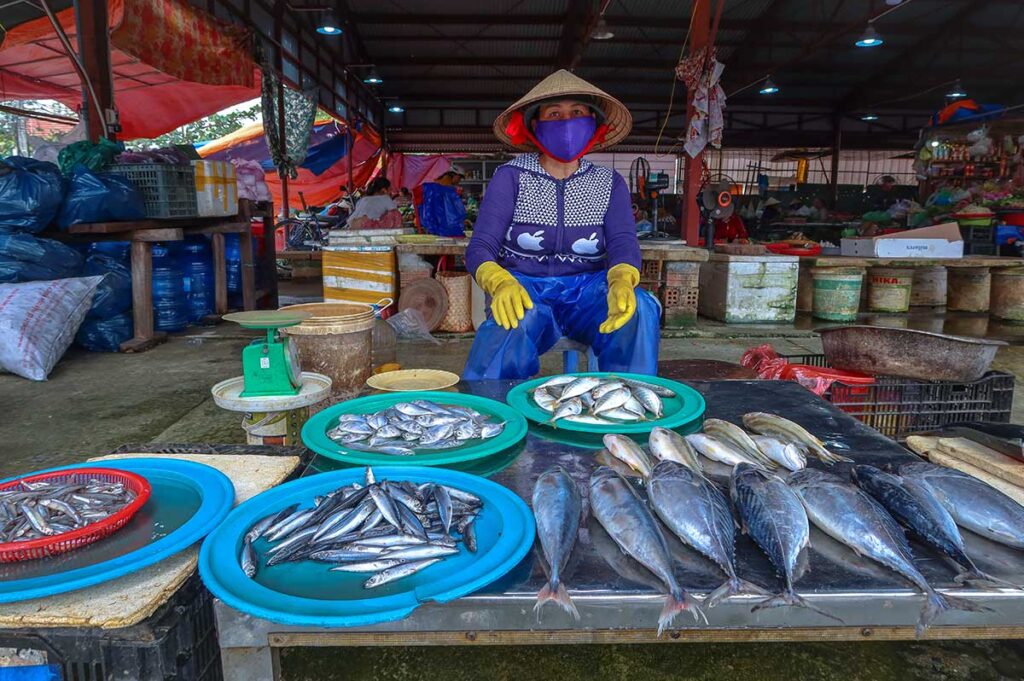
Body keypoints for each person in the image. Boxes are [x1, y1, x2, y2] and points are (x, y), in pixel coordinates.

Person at [463, 70, 660, 380]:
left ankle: (629, 403)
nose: (567, 122)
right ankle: (496, 414)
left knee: (639, 308)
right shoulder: (510, 176)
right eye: (555, 114)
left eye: (577, 113)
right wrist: (498, 281)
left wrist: (622, 277)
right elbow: (481, 247)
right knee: (509, 321)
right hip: (525, 288)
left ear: (593, 123)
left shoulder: (609, 182)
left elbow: (623, 243)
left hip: (587, 296)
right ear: (535, 126)